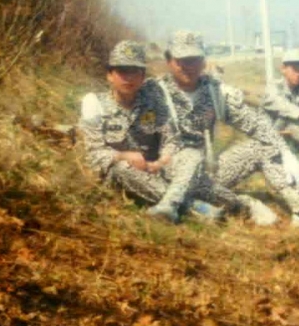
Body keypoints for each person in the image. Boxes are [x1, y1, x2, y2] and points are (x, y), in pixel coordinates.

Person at [157, 32, 299, 231]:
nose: (189, 66)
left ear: (203, 61)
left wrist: (285, 152)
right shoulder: (155, 93)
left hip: (207, 172)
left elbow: (255, 123)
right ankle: (238, 204)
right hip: (167, 177)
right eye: (182, 61)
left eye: (194, 60)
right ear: (169, 61)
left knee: (263, 146)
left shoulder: (213, 91)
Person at [78, 40, 220, 224]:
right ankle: (192, 206)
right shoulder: (94, 104)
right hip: (125, 175)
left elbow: (171, 139)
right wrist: (122, 156)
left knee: (191, 154)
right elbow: (93, 153)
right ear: (109, 75)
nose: (128, 78)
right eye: (122, 71)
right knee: (122, 169)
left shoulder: (154, 102)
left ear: (143, 76)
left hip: (156, 170)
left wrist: (162, 161)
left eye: (134, 72)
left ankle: (170, 204)